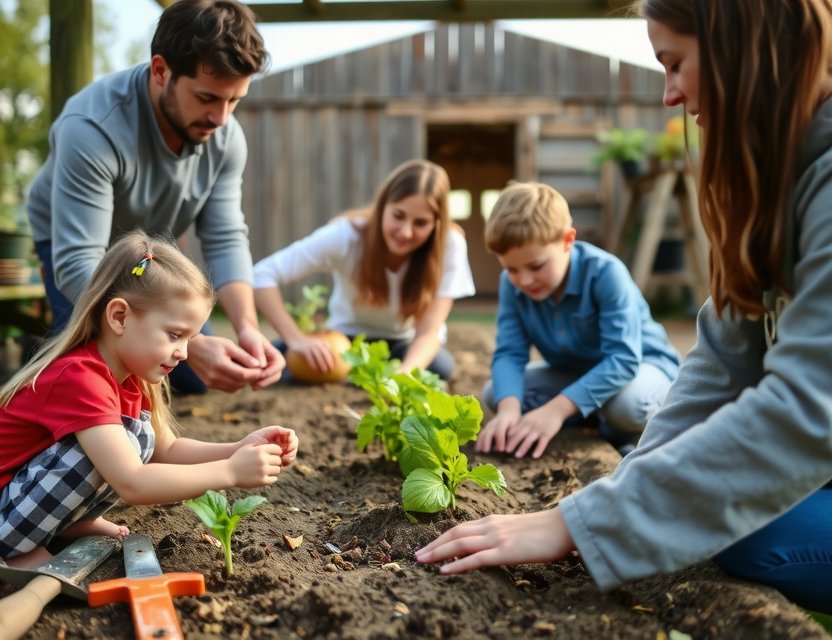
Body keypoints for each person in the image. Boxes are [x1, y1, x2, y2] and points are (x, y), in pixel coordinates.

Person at [416, 0, 832, 616]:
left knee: (740, 526)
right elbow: (720, 367)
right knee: (709, 507)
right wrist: (608, 497)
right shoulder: (777, 183)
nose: (669, 95)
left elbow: (808, 406)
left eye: (675, 63)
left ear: (741, 48)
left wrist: (584, 523)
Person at [25, 0, 284, 394]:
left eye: (234, 101)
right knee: (95, 379)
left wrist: (247, 328)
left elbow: (225, 236)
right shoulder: (92, 128)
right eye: (207, 98)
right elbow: (79, 263)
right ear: (161, 70)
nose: (221, 119)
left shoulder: (225, 138)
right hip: (79, 255)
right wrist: (190, 343)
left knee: (190, 380)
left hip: (149, 254)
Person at [0, 231, 298, 569]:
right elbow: (132, 482)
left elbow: (166, 450)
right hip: (3, 510)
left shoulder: (132, 377)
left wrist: (237, 449)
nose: (184, 353)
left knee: (138, 438)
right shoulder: (80, 378)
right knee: (114, 449)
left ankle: (66, 525)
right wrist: (230, 471)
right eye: (174, 335)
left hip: (21, 498)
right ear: (119, 317)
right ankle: (15, 553)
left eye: (191, 337)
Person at [477, 182, 679, 458]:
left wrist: (556, 409)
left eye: (536, 266)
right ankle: (593, 415)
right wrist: (508, 412)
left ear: (567, 241)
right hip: (577, 374)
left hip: (641, 367)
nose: (524, 280)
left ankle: (620, 430)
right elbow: (510, 353)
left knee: (629, 407)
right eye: (511, 269)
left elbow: (623, 359)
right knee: (496, 394)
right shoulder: (510, 285)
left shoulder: (606, 273)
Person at [253, 159, 476, 379]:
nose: (406, 232)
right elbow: (261, 275)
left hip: (402, 344)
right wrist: (296, 339)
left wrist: (405, 374)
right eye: (398, 216)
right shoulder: (346, 235)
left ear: (437, 223)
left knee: (440, 367)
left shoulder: (449, 244)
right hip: (344, 344)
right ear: (382, 207)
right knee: (278, 361)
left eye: (420, 223)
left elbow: (429, 331)